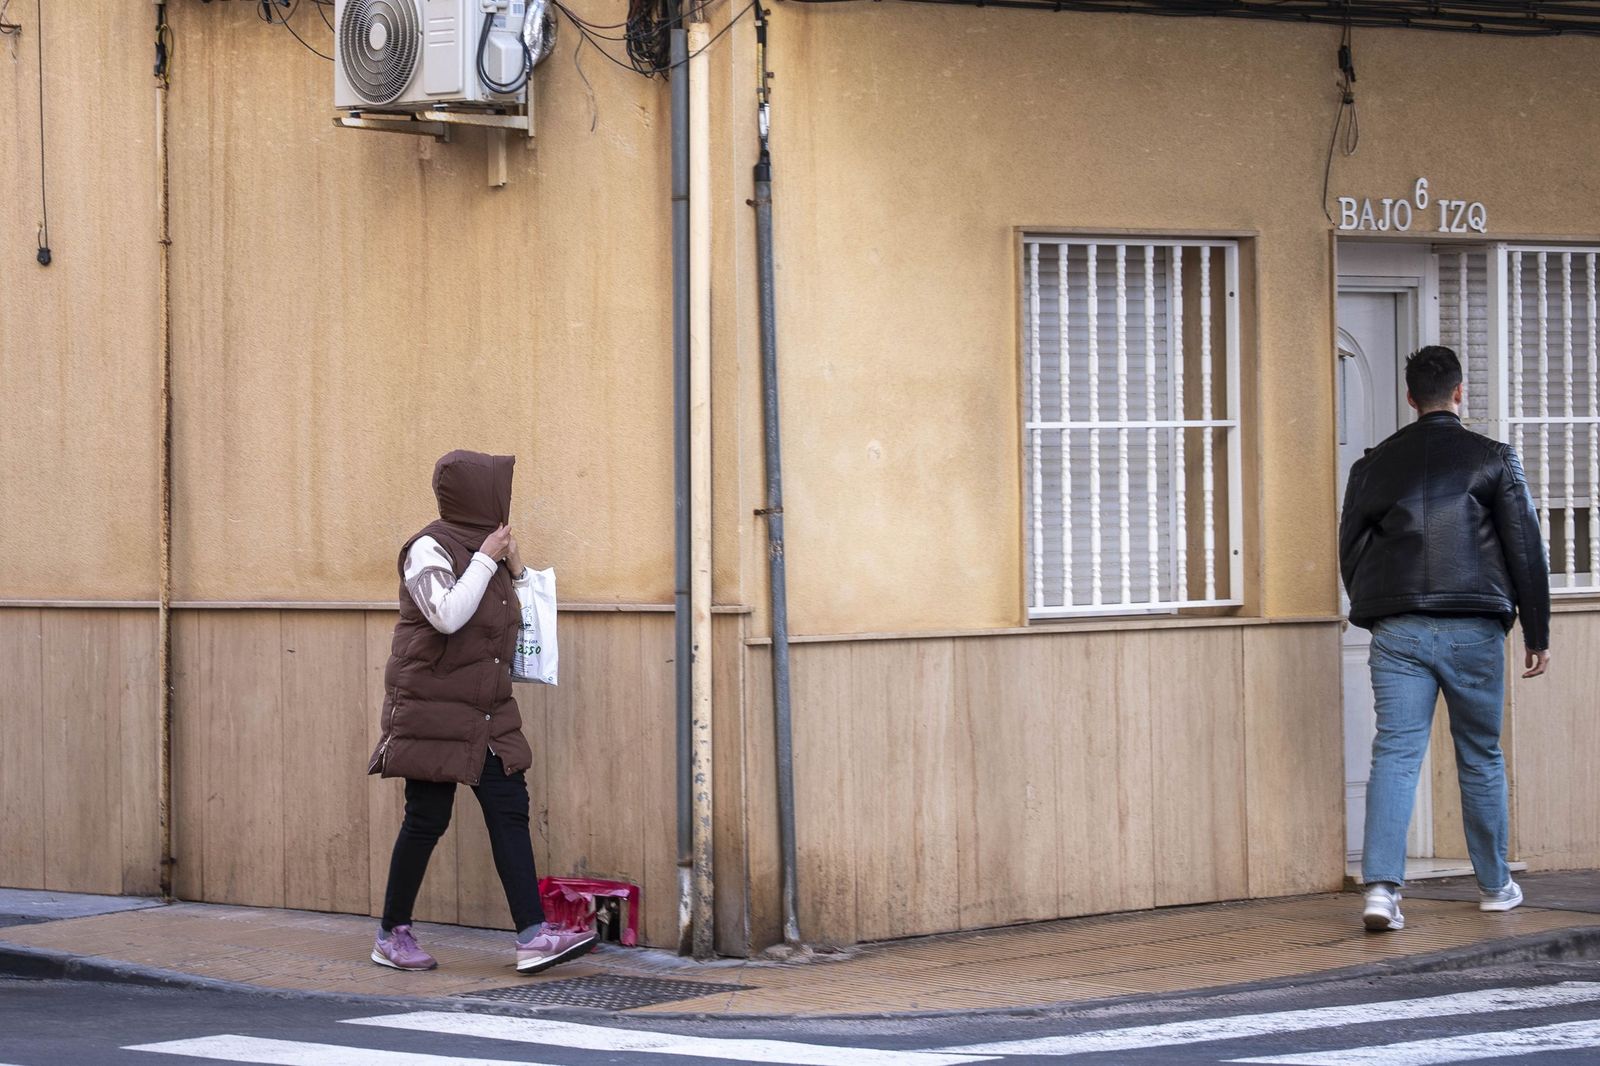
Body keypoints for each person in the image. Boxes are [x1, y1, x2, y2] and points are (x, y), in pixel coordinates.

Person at [1340, 345, 1551, 933]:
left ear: (1411, 399)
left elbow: (1350, 550)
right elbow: (1525, 550)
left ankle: (1381, 890)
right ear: (1460, 394)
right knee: (1480, 755)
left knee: (1395, 756)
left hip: (1397, 630)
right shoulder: (1494, 459)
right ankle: (1493, 885)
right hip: (1474, 628)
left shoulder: (1373, 465)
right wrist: (1537, 630)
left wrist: (1377, 608)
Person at [367, 449, 596, 974]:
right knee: (427, 817)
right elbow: (446, 615)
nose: (504, 502)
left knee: (509, 807)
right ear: (474, 494)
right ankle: (391, 934)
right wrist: (489, 559)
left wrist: (515, 568)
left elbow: (521, 627)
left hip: (487, 708)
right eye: (497, 491)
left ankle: (533, 936)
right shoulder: (429, 546)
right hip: (433, 708)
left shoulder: (486, 551)